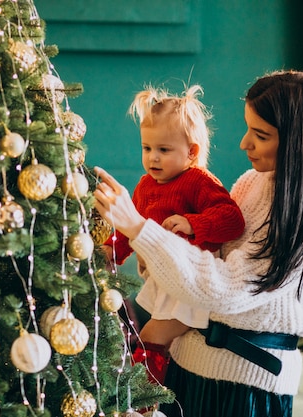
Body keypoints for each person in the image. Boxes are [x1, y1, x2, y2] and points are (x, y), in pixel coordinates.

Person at [94, 70, 303, 417]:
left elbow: (226, 288)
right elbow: (200, 263)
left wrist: (138, 227)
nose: (244, 144)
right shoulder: (251, 182)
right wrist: (155, 257)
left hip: (245, 389)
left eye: (261, 135)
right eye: (248, 128)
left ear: (300, 142)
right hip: (184, 369)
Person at [102, 84, 246, 385]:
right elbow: (130, 230)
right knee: (154, 338)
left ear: (191, 152)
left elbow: (232, 219)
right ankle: (157, 393)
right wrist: (110, 252)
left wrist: (194, 223)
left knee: (152, 336)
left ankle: (143, 396)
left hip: (190, 281)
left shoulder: (198, 181)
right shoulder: (145, 186)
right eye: (147, 148)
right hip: (163, 279)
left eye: (163, 150)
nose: (153, 158)